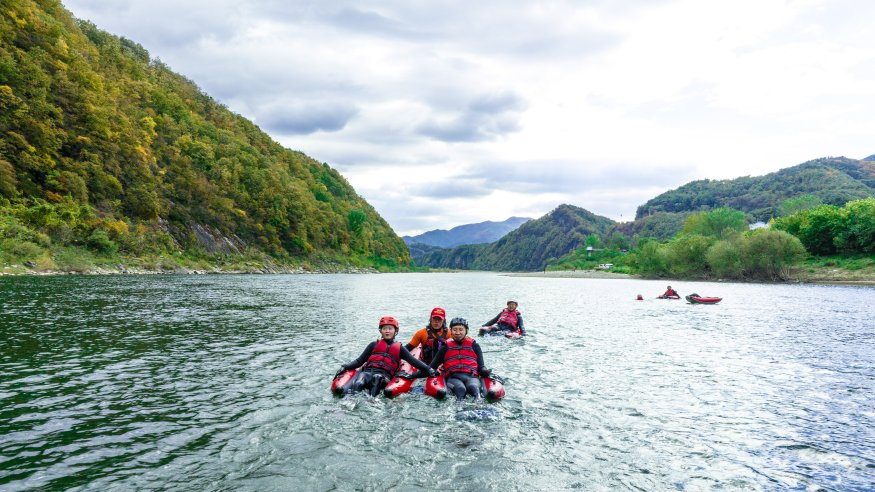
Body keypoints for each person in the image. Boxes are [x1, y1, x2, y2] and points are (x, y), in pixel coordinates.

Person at [336, 316, 435, 397]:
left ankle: (372, 402)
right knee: (361, 378)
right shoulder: (373, 345)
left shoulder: (400, 349)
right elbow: (359, 361)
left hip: (384, 377)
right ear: (380, 331)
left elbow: (414, 362)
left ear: (395, 331)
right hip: (367, 373)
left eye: (390, 328)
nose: (387, 331)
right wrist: (345, 366)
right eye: (384, 329)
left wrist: (428, 368)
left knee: (377, 378)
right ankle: (349, 402)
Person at [426, 317, 492, 401]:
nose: (457, 333)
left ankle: (480, 408)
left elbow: (481, 367)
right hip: (453, 378)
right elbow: (432, 366)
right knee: (461, 390)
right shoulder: (445, 347)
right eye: (455, 330)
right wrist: (414, 375)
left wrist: (485, 372)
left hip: (471, 377)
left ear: (466, 331)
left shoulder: (474, 345)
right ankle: (460, 412)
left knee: (474, 388)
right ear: (451, 330)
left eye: (461, 330)